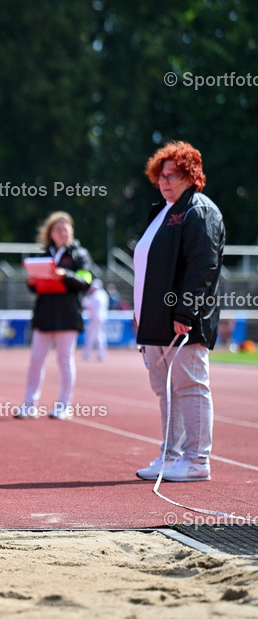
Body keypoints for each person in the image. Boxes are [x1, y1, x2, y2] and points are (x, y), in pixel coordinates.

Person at [133, 141, 224, 482]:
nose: (165, 181)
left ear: (192, 175)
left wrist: (185, 313)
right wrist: (139, 311)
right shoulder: (162, 212)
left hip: (183, 322)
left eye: (174, 175)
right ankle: (170, 455)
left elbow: (203, 267)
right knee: (166, 390)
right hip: (153, 320)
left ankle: (197, 461)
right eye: (161, 175)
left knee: (190, 387)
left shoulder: (198, 211)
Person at [14, 212, 95, 420]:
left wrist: (65, 275)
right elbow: (36, 285)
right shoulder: (42, 254)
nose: (63, 232)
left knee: (65, 360)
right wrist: (31, 283)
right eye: (58, 229)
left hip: (68, 315)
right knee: (35, 360)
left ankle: (64, 406)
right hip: (45, 314)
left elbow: (86, 280)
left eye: (66, 228)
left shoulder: (80, 255)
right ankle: (30, 404)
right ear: (50, 233)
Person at [82, 279, 108, 362]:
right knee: (99, 335)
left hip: (95, 318)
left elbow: (86, 304)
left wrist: (85, 299)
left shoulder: (95, 295)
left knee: (90, 336)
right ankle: (101, 354)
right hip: (102, 317)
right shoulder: (104, 294)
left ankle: (87, 353)